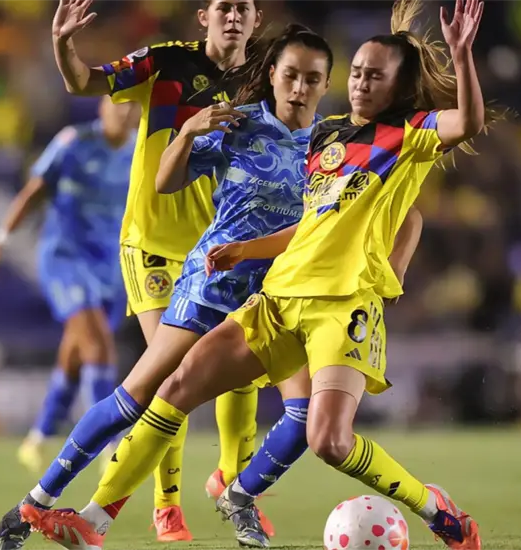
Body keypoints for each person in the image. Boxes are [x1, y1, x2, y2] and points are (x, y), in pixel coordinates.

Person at [17, 1, 501, 550]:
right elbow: (313, 228)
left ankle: (429, 509)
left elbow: (461, 134)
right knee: (171, 389)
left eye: (371, 75)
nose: (360, 83)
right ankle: (94, 520)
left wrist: (461, 55)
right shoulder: (329, 140)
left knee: (326, 439)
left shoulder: (407, 136)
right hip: (273, 294)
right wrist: (245, 246)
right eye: (357, 73)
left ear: (391, 84)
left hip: (340, 307)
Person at [17, 24, 346, 550]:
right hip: (212, 283)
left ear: (327, 83)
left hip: (277, 296)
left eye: (312, 78)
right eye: (291, 75)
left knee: (307, 414)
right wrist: (189, 132)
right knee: (145, 392)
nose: (300, 87)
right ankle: (46, 500)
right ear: (274, 76)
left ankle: (235, 491)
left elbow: (327, 223)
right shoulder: (241, 125)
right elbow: (166, 181)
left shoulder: (333, 145)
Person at [0, 1, 268, 548]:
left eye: (244, 7)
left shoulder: (262, 82)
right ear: (202, 17)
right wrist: (63, 46)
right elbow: (84, 84)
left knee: (240, 374)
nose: (233, 16)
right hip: (151, 245)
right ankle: (165, 507)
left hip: (217, 249)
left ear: (257, 20)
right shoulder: (165, 63)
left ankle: (233, 484)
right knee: (170, 376)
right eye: (223, 6)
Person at [0, 99, 137, 474]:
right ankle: (107, 444)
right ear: (102, 107)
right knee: (98, 345)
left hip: (109, 266)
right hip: (64, 257)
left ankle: (37, 437)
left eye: (133, 106)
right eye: (118, 104)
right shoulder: (72, 142)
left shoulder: (140, 150)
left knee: (76, 351)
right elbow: (34, 191)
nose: (125, 112)